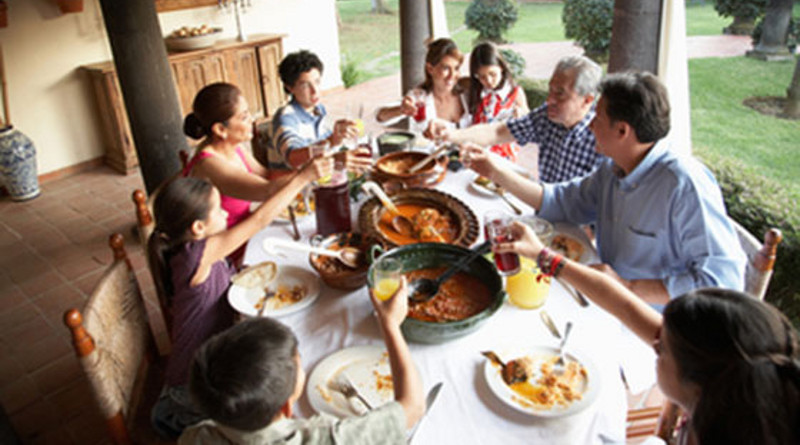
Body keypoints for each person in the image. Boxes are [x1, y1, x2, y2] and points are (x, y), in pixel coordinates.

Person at [495, 221, 800, 445]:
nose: (653, 340)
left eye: (660, 349)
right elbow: (624, 306)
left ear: (696, 385)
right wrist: (543, 256)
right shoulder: (731, 377)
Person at [461, 72, 746, 306]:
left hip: (656, 328)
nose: (589, 127)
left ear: (622, 131)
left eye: (596, 118)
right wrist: (496, 172)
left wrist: (627, 287)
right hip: (603, 299)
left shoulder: (684, 185)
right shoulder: (614, 169)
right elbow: (562, 201)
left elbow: (723, 281)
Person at [149, 160, 330, 440]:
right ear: (198, 227)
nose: (225, 212)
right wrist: (303, 177)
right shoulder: (195, 256)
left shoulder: (196, 251)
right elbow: (259, 220)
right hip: (191, 390)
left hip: (207, 366)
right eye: (219, 209)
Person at [178, 278, 425, 444]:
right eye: (299, 361)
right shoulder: (322, 437)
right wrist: (390, 324)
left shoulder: (194, 437)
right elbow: (412, 407)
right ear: (287, 407)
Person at [429, 55, 603, 183]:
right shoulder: (548, 117)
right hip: (548, 211)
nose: (549, 100)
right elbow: (499, 131)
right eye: (550, 90)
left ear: (587, 100)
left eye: (560, 94)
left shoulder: (604, 138)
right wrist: (451, 134)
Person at [183, 82, 317, 230]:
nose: (252, 120)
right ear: (221, 129)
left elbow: (266, 175)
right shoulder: (209, 166)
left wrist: (311, 174)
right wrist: (307, 175)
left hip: (250, 229)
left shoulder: (235, 147)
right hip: (232, 244)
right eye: (244, 117)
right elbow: (266, 190)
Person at [265, 49, 372, 175]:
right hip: (293, 186)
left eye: (317, 82)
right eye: (305, 85)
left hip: (319, 180)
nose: (314, 91)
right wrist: (332, 140)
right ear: (290, 87)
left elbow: (325, 148)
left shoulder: (317, 109)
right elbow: (293, 158)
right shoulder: (286, 117)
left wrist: (338, 140)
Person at [376, 38, 471, 134]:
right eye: (446, 68)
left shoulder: (467, 93)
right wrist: (401, 110)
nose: (452, 75)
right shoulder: (419, 97)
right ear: (430, 69)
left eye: (456, 68)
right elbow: (380, 116)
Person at [467, 42, 529, 161]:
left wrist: (521, 117)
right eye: (482, 77)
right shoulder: (477, 91)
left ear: (501, 67)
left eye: (492, 74)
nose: (488, 81)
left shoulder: (515, 93)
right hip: (478, 153)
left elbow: (527, 129)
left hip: (504, 157)